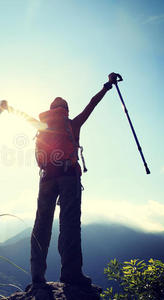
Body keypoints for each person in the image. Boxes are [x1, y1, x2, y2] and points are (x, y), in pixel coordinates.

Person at [30, 73, 119, 291]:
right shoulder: (73, 124)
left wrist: (6, 107)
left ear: (50, 111)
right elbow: (92, 104)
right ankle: (71, 273)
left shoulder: (41, 126)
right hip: (69, 176)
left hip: (47, 178)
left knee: (41, 225)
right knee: (69, 224)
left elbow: (20, 115)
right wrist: (107, 86)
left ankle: (37, 275)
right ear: (66, 110)